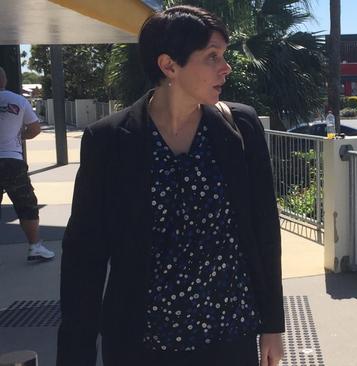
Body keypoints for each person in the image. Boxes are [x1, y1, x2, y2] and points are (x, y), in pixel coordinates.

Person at [57, 6, 284, 366]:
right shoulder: (110, 140)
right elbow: (84, 256)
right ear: (169, 66)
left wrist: (272, 325)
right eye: (212, 57)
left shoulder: (240, 127)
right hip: (142, 343)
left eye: (223, 55)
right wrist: (75, 355)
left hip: (230, 334)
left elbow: (264, 231)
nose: (225, 67)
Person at [0, 65, 54, 262]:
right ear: (4, 80)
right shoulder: (18, 101)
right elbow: (34, 129)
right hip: (12, 160)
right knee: (26, 205)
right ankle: (35, 246)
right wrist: (18, 135)